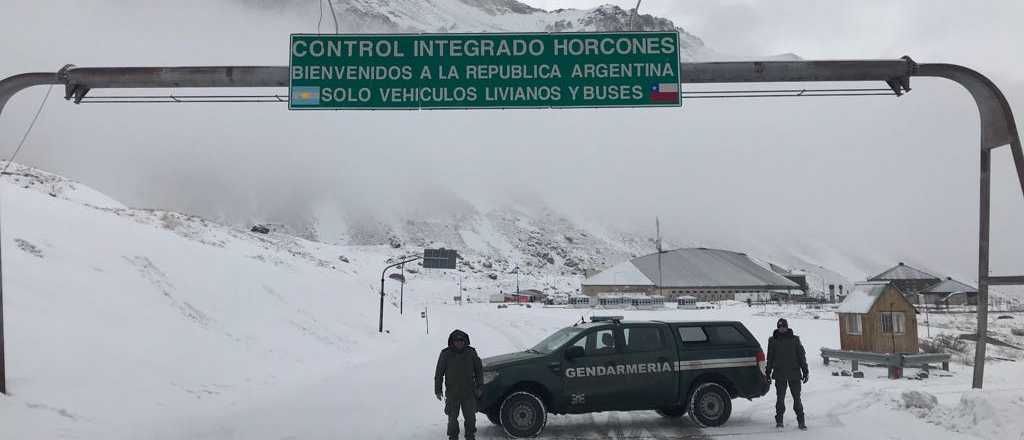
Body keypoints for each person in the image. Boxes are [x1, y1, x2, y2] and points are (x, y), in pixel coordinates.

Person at [435, 329, 483, 440]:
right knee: (452, 419)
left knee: (471, 418)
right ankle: (453, 436)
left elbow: (479, 370)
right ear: (452, 342)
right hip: (453, 393)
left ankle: (470, 436)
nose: (459, 342)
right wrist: (438, 390)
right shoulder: (445, 354)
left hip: (469, 393)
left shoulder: (471, 352)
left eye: (461, 340)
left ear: (465, 341)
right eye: (456, 340)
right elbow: (439, 373)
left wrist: (480, 386)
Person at [765, 318, 808, 430]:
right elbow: (770, 358)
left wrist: (805, 371)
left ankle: (801, 421)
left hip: (794, 374)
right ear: (778, 327)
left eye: (783, 326)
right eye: (780, 327)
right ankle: (779, 421)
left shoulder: (795, 340)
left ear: (787, 327)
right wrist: (768, 373)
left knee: (797, 399)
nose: (782, 329)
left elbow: (801, 356)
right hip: (780, 374)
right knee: (780, 399)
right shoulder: (773, 340)